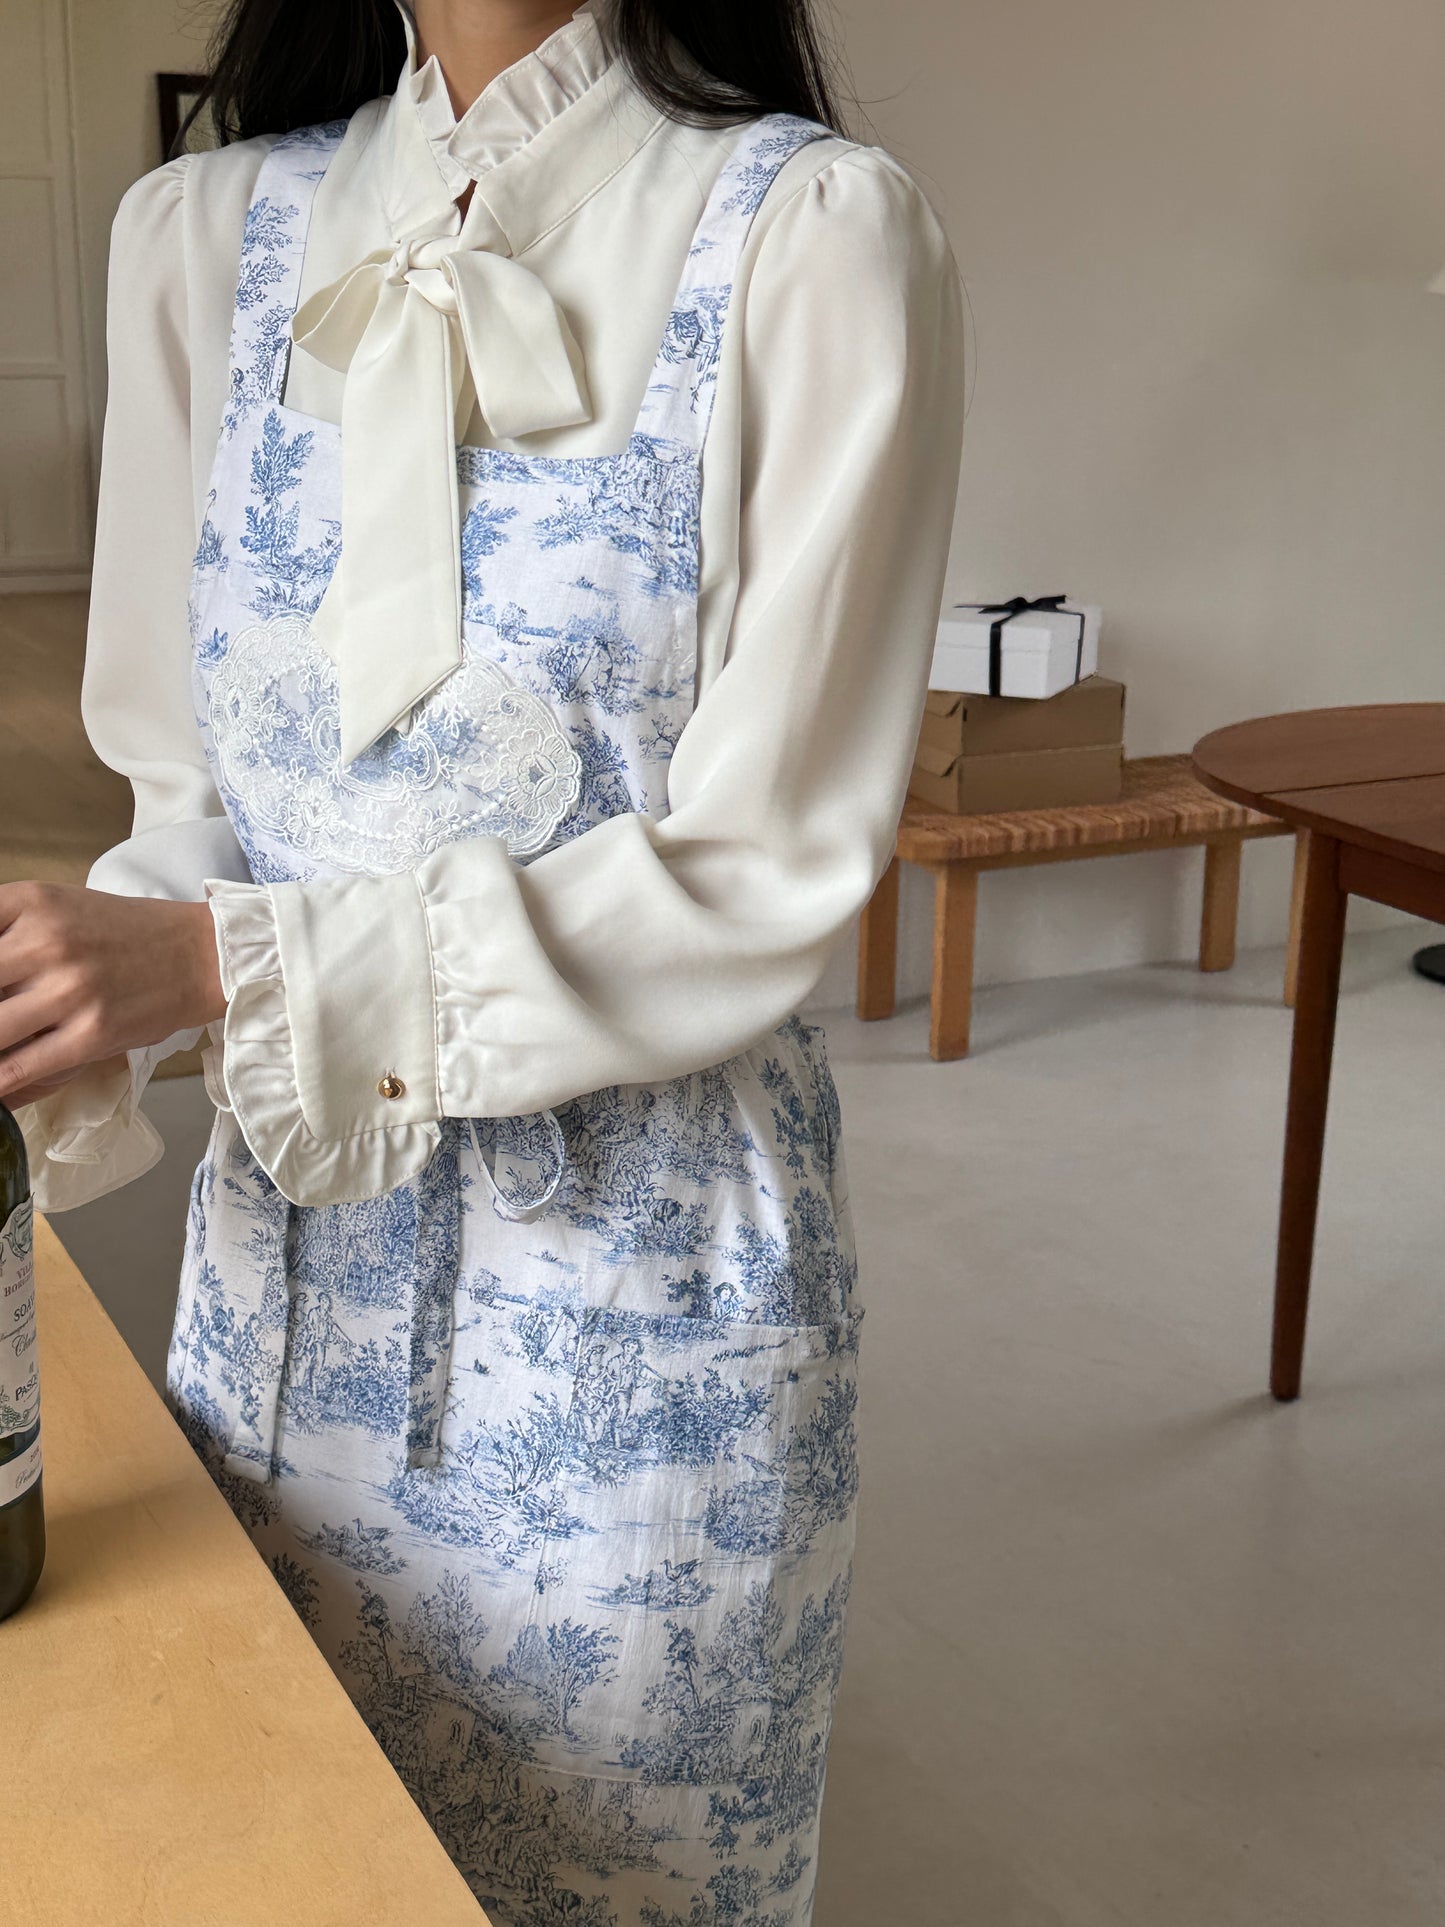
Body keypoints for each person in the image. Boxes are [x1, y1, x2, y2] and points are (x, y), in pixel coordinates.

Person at [1, 1, 963, 1918]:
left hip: (649, 1318)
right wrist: (83, 969)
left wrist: (223, 966)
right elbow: (193, 782)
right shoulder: (200, 237)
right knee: (266, 1844)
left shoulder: (809, 235)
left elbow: (762, 868)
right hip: (280, 1287)